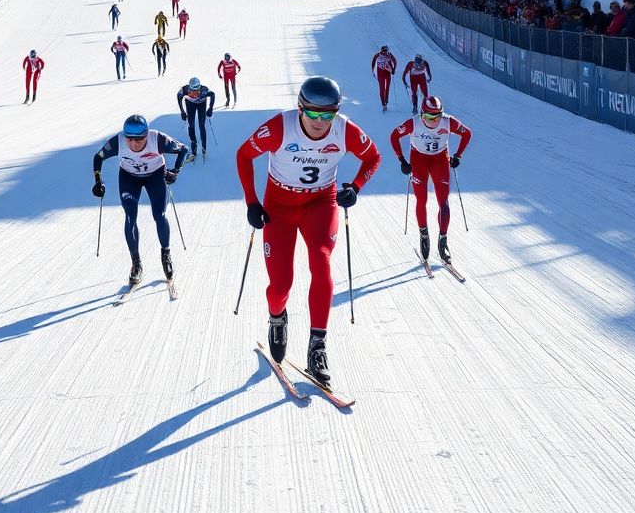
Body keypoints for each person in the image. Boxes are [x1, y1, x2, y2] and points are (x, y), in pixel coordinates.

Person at [236, 76, 381, 386]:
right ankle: (277, 318)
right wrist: (252, 202)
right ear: (299, 108)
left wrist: (355, 187)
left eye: (327, 114)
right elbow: (244, 155)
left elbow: (373, 156)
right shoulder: (280, 127)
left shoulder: (344, 129)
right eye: (313, 114)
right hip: (279, 206)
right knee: (280, 286)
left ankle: (317, 346)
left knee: (321, 260)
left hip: (321, 201)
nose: (320, 121)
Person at [92, 115, 188, 286]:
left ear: (147, 134)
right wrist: (98, 182)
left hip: (155, 176)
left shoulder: (157, 139)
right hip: (129, 178)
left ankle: (165, 254)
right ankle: (136, 263)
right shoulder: (117, 142)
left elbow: (184, 150)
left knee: (159, 215)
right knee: (130, 218)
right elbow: (98, 157)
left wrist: (176, 171)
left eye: (139, 139)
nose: (134, 143)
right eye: (130, 139)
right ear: (124, 136)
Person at [390, 95, 471, 265]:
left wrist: (458, 156)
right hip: (419, 161)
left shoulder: (449, 122)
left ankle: (443, 241)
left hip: (440, 160)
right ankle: (424, 235)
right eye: (429, 117)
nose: (434, 121)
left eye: (437, 116)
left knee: (444, 202)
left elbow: (467, 134)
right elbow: (394, 136)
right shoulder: (414, 123)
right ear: (421, 114)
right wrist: (402, 161)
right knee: (422, 199)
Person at [177, 76, 215, 161]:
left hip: (202, 103)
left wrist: (210, 108)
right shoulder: (185, 90)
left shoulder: (204, 90)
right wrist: (182, 112)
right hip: (190, 104)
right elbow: (179, 97)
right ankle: (194, 149)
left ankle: (204, 147)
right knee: (191, 125)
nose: (194, 93)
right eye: (192, 91)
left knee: (202, 125)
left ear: (199, 88)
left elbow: (212, 94)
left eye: (197, 91)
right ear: (189, 88)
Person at [371, 45, 397, 111]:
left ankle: (386, 102)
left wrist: (393, 69)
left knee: (387, 87)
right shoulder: (377, 55)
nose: (385, 53)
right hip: (380, 73)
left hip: (387, 72)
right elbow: (373, 63)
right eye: (383, 52)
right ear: (381, 51)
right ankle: (383, 104)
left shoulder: (389, 55)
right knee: (382, 88)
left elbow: (395, 61)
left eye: (386, 52)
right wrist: (373, 71)